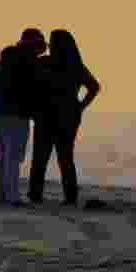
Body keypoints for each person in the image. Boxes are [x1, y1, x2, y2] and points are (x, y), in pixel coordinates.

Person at [27, 29, 100, 206]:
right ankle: (70, 196)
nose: (50, 46)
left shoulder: (44, 63)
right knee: (65, 157)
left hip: (47, 115)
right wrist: (80, 107)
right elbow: (94, 87)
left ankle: (36, 194)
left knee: (41, 156)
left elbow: (30, 84)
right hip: (67, 116)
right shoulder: (76, 65)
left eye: (51, 43)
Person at [0, 28, 46, 206]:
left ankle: (1, 194)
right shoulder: (27, 60)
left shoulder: (6, 58)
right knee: (13, 155)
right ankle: (12, 197)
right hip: (16, 113)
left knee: (2, 154)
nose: (41, 49)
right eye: (39, 45)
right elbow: (31, 89)